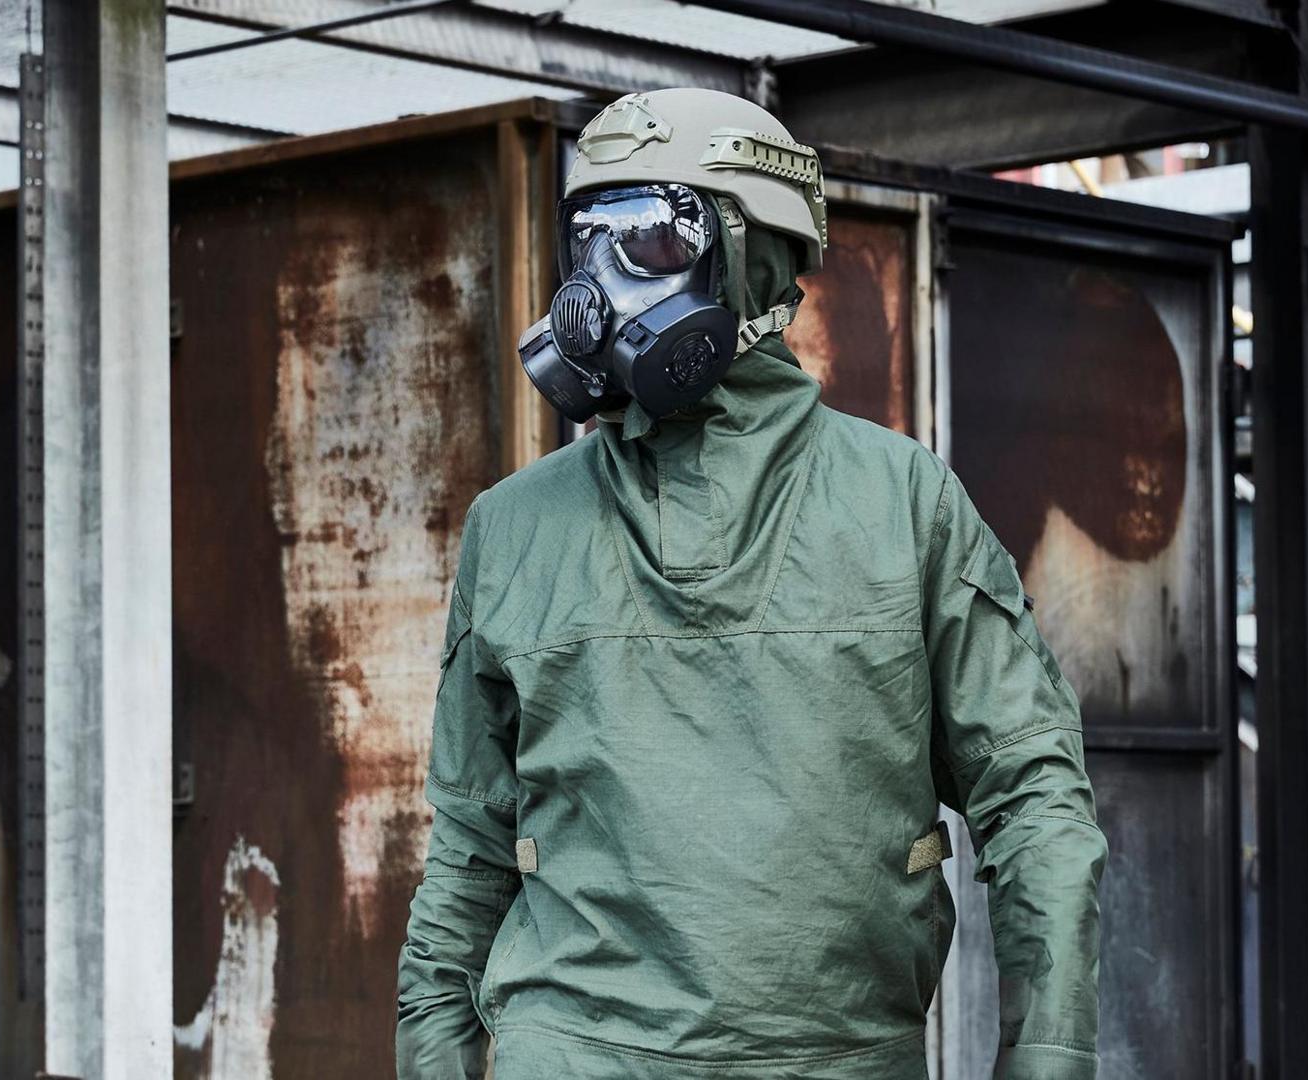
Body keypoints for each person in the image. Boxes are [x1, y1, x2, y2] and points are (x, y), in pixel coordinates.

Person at [396, 88, 1106, 1080]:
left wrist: (1050, 1054)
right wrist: (431, 1054)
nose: (601, 285)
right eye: (587, 241)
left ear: (755, 260)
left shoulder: (903, 504)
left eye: (648, 236)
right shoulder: (512, 529)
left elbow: (1033, 797)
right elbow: (469, 844)